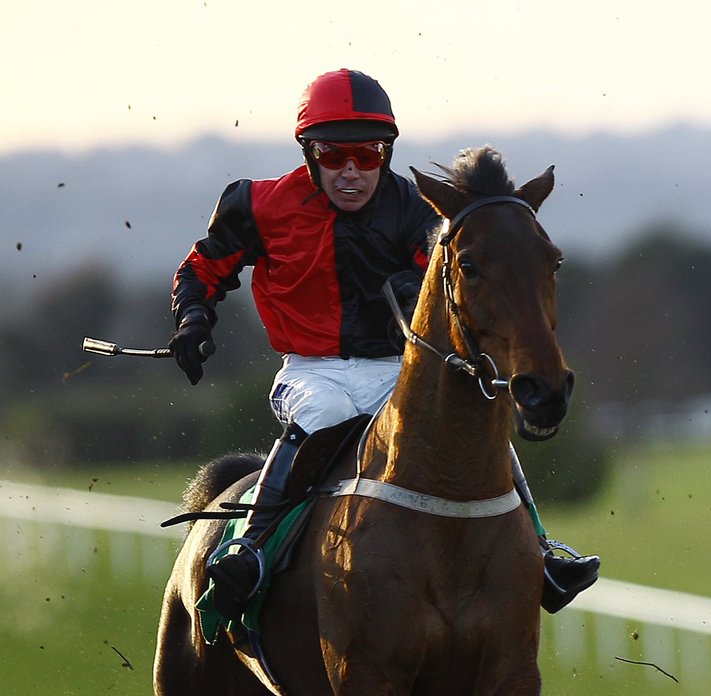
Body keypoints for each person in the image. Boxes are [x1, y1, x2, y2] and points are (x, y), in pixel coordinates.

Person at [170, 68, 599, 621]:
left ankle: (540, 551)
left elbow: (442, 286)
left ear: (386, 154)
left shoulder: (418, 210)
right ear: (309, 153)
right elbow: (204, 266)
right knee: (324, 411)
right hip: (312, 370)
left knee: (468, 423)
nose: (351, 173)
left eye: (368, 157)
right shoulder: (259, 204)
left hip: (396, 369)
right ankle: (251, 549)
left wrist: (411, 285)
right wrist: (193, 320)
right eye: (333, 156)